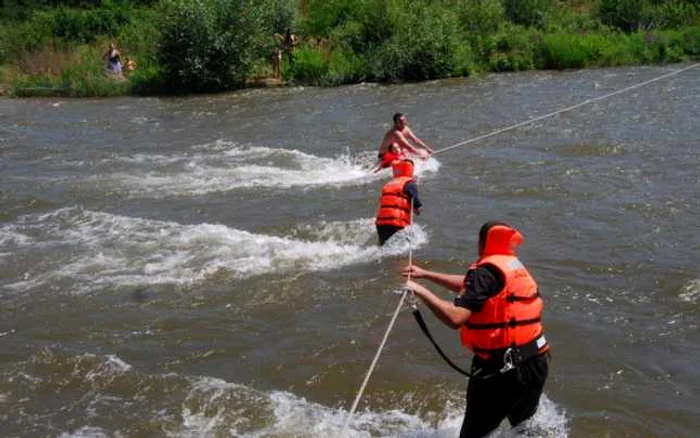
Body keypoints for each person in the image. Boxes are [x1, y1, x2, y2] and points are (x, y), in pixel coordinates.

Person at [402, 221, 550, 438]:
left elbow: (456, 318)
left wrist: (420, 291)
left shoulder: (484, 273)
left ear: (481, 243)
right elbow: (471, 286)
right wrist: (426, 274)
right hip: (536, 362)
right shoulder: (512, 266)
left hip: (502, 370)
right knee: (522, 428)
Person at [375, 159, 422, 245]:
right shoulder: (410, 184)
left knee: (383, 248)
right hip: (396, 223)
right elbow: (417, 209)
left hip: (381, 224)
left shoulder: (388, 184)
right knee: (402, 248)